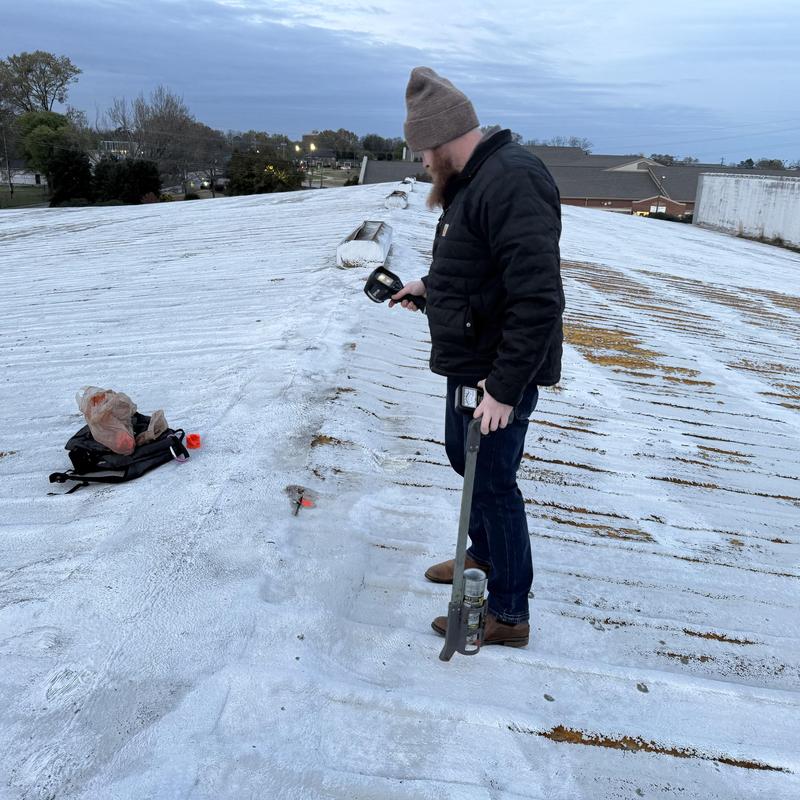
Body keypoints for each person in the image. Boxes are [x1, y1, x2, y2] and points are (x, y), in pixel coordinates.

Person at [390, 66, 564, 647]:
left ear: (441, 139)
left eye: (421, 154)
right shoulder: (476, 177)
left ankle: (509, 615)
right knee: (465, 463)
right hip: (471, 362)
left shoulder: (512, 181)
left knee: (492, 484)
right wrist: (425, 286)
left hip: (496, 372)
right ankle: (482, 556)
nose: (421, 165)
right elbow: (473, 264)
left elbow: (538, 299)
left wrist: (505, 389)